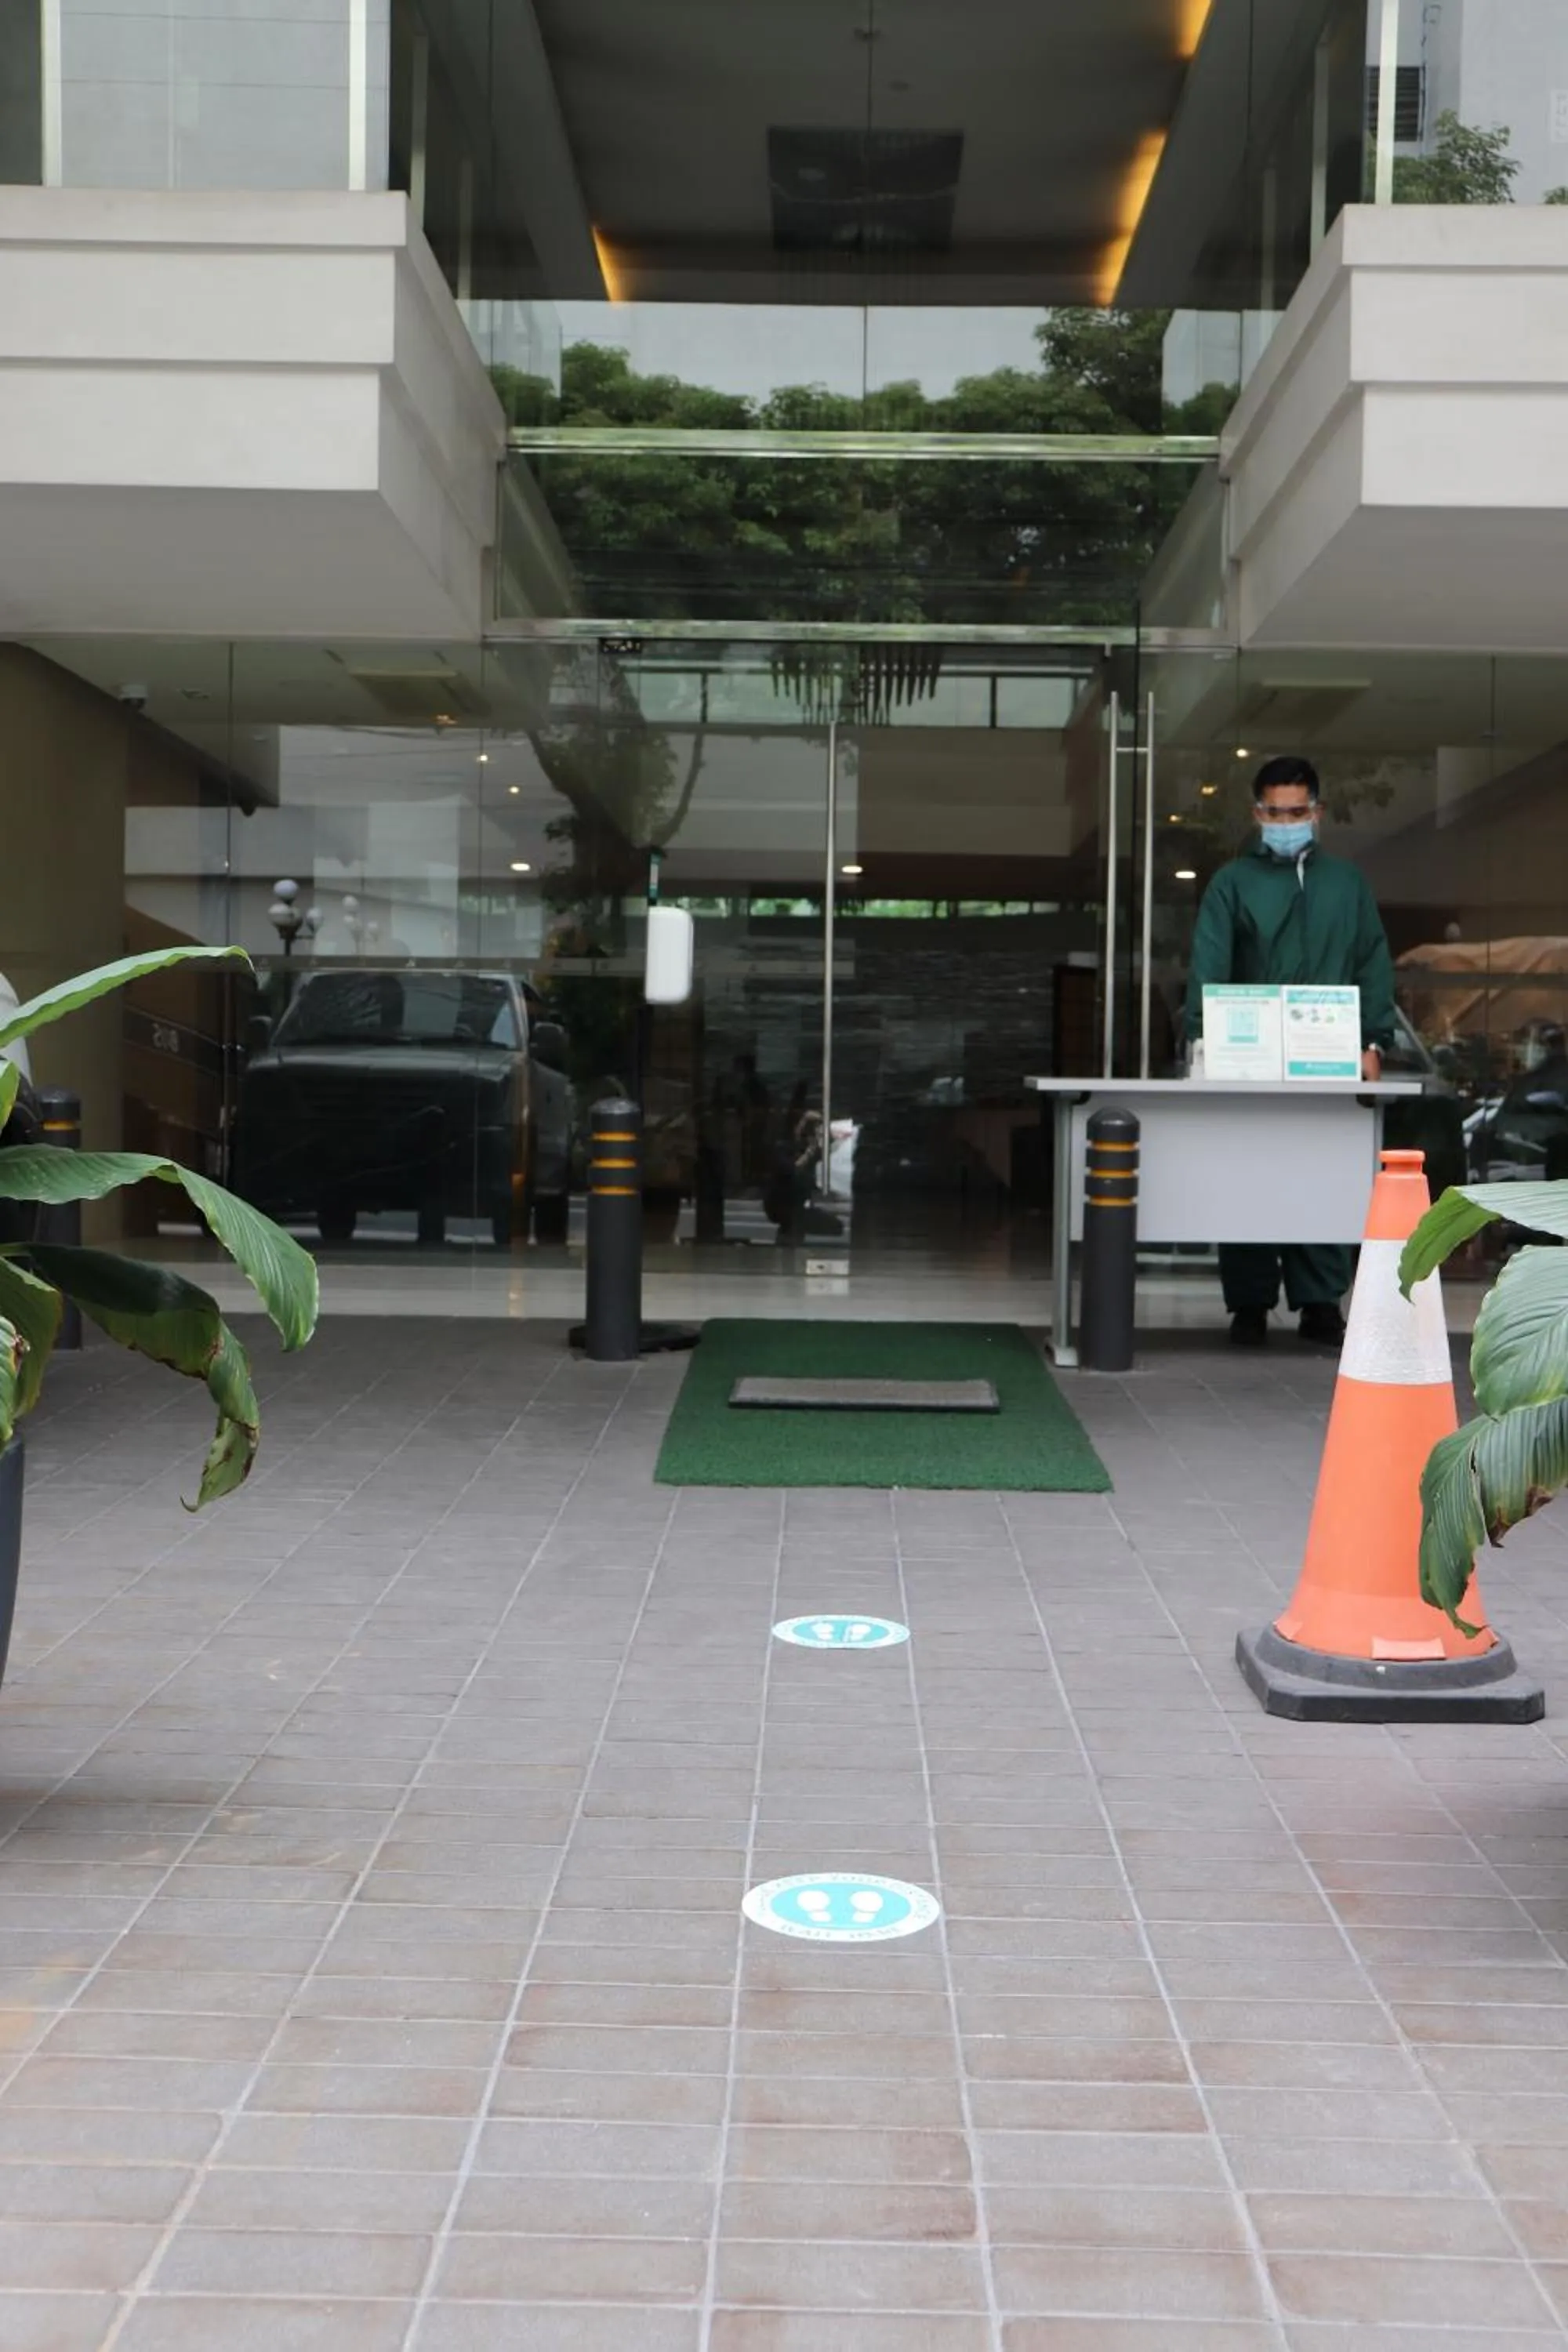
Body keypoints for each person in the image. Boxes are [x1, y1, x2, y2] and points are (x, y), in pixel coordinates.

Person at [1185, 754, 1396, 1348]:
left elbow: (1371, 961)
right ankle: (1249, 1302)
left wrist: (1373, 1041)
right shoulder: (1233, 883)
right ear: (1258, 814)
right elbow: (1209, 963)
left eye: (1297, 812)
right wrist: (1203, 1039)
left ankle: (1321, 1302)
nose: (1286, 822)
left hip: (1329, 1055)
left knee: (1322, 1173)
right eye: (1275, 813)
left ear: (1317, 812)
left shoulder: (1346, 884)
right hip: (1248, 1059)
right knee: (1247, 1175)